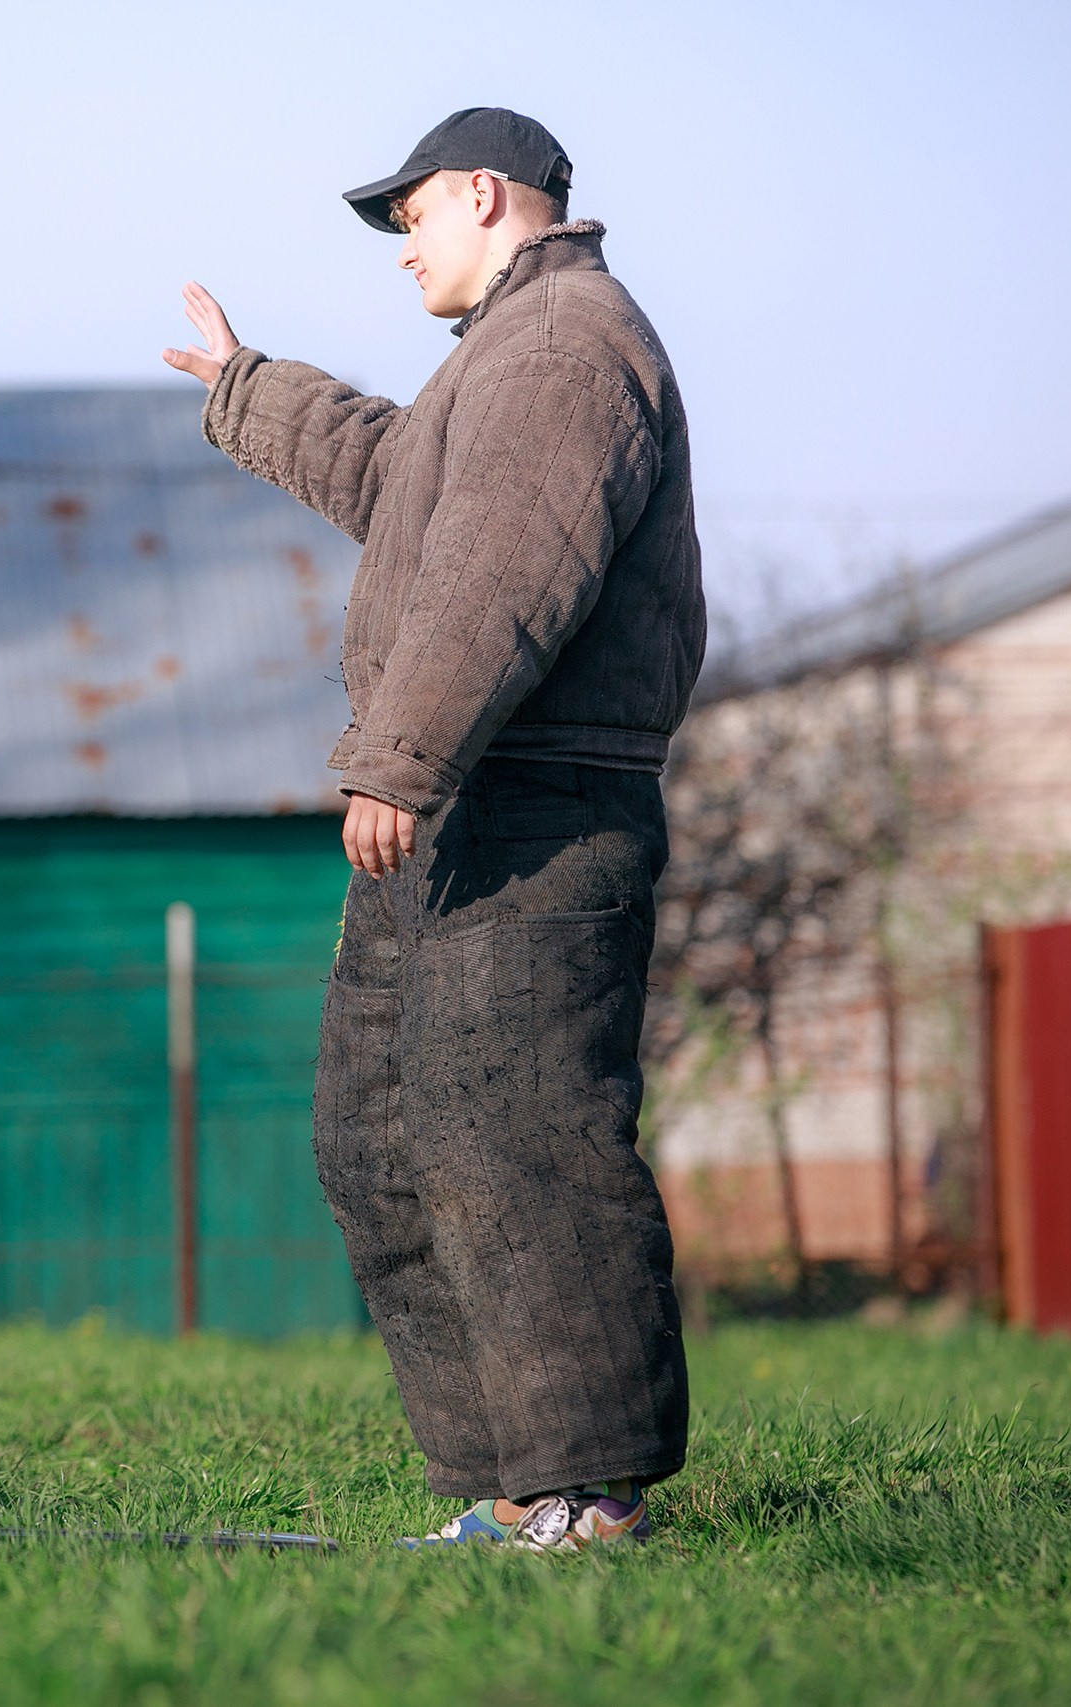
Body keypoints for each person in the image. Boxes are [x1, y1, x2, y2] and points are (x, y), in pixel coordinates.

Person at [163, 107, 702, 1551]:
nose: (402, 250)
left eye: (410, 220)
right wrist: (249, 391)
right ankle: (511, 1492)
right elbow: (407, 487)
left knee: (520, 1141)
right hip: (465, 798)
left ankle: (590, 1494)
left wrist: (396, 759)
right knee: (383, 1142)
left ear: (482, 193)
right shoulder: (502, 358)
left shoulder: (567, 346)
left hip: (532, 799)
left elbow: (500, 570)